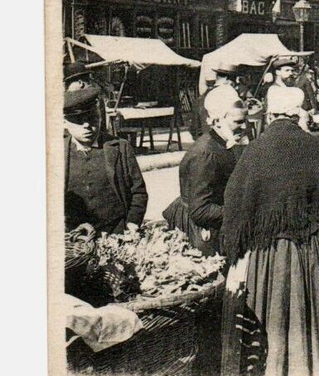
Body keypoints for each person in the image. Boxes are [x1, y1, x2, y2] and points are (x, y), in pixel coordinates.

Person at [220, 86, 319, 376]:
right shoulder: (313, 146)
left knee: (273, 310)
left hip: (269, 253)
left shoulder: (256, 148)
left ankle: (273, 375)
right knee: (311, 311)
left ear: (270, 114)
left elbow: (236, 202)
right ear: (297, 113)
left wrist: (236, 246)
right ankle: (313, 371)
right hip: (308, 250)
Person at [164, 87, 248, 256]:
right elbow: (201, 210)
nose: (244, 127)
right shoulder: (205, 154)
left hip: (215, 221)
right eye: (238, 122)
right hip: (202, 230)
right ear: (217, 121)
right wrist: (243, 212)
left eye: (245, 120)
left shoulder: (225, 144)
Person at [64, 87, 148, 236]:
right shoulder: (57, 152)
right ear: (65, 123)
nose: (86, 125)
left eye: (92, 118)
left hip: (115, 230)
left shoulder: (120, 147)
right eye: (78, 121)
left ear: (100, 118)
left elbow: (138, 191)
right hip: (74, 235)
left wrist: (132, 223)